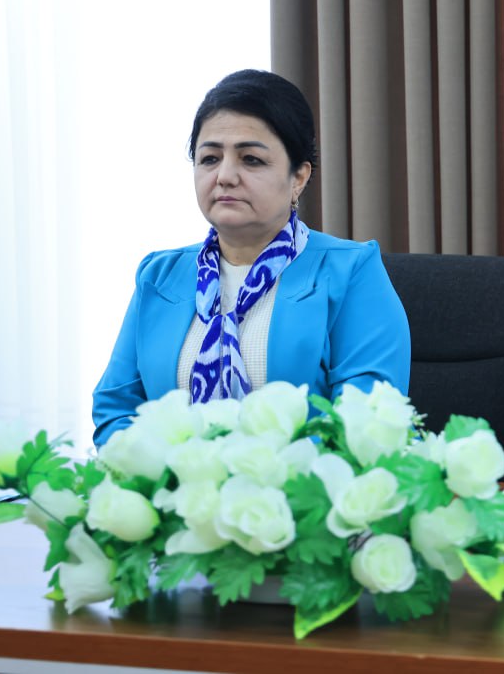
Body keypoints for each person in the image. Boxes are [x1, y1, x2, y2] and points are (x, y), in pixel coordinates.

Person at [92, 69, 411, 445]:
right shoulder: (159, 276)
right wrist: (172, 472)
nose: (225, 175)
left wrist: (255, 471)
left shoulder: (351, 271)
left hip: (304, 482)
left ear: (298, 177)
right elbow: (115, 409)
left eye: (251, 160)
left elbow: (365, 423)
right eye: (209, 158)